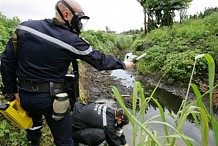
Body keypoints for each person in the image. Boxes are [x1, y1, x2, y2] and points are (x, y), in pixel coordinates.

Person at [0, 0, 134, 146]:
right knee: (64, 139)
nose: (80, 24)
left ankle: (34, 142)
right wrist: (123, 64)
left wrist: (11, 92)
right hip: (51, 101)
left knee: (34, 122)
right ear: (66, 14)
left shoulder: (25, 28)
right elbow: (99, 60)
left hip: (25, 95)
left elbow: (6, 61)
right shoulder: (71, 40)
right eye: (79, 18)